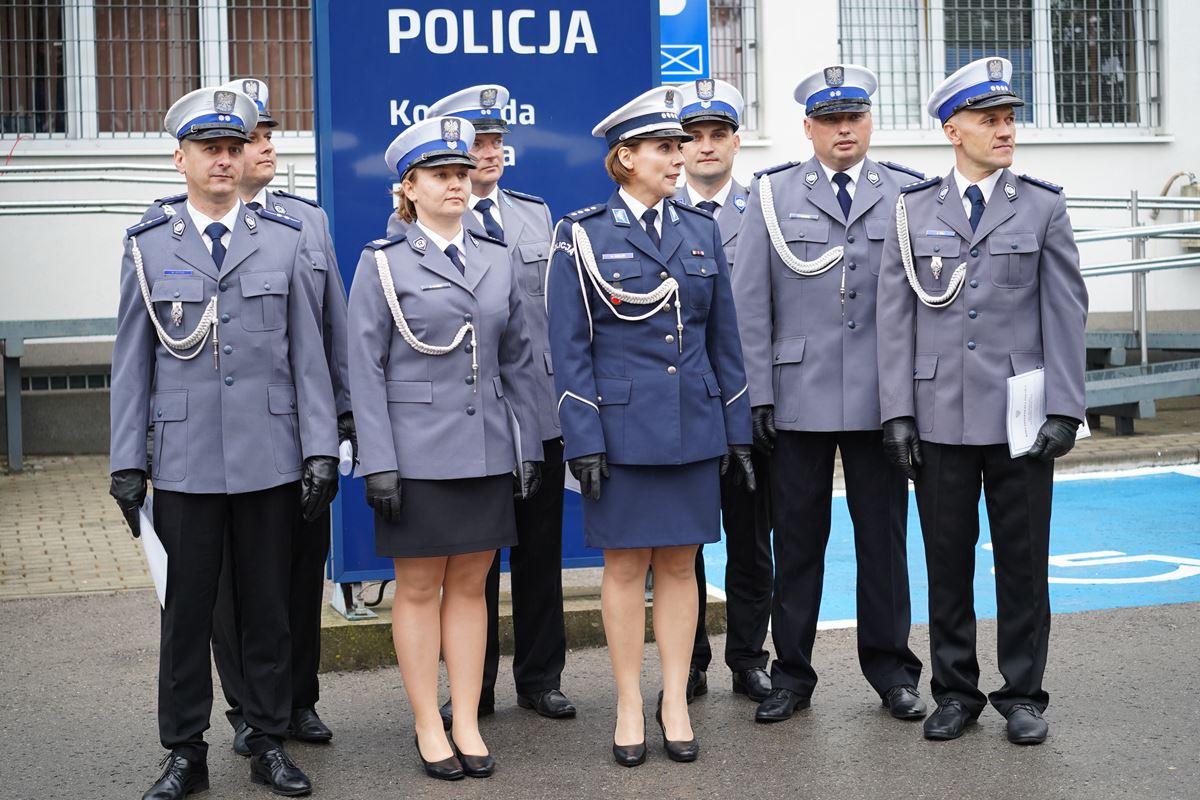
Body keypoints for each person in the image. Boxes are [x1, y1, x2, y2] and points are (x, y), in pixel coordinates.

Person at [108, 86, 339, 799]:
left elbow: (307, 357)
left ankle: (266, 739)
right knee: (185, 618)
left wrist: (320, 448)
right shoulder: (150, 244)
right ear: (180, 159)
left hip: (269, 454)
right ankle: (185, 753)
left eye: (234, 148)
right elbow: (132, 361)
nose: (224, 160)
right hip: (186, 463)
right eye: (209, 148)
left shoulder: (285, 238)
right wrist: (126, 460)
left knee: (268, 608)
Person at [876, 56, 1088, 745]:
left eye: (1008, 119)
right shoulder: (912, 211)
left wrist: (1066, 408)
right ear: (952, 130)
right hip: (939, 415)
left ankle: (1022, 695)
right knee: (947, 560)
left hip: (1021, 418)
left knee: (1023, 562)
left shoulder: (1043, 205)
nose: (1005, 131)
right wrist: (897, 412)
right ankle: (955, 692)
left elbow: (1065, 314)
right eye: (989, 120)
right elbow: (894, 321)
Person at [546, 85, 754, 767]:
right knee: (625, 566)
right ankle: (630, 702)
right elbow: (569, 347)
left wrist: (737, 431)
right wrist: (583, 438)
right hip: (622, 432)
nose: (681, 156)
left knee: (680, 564)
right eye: (666, 147)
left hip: (693, 425)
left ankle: (675, 702)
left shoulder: (700, 229)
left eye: (680, 146)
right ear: (626, 157)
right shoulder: (582, 234)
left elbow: (724, 341)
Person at [347, 115, 544, 781]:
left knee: (470, 586)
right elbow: (364, 370)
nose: (457, 183)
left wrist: (526, 445)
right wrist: (378, 462)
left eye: (462, 172)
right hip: (416, 455)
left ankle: (465, 720)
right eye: (441, 175)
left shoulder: (496, 256)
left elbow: (517, 362)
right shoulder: (383, 262)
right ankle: (427, 724)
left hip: (486, 448)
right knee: (417, 588)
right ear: (409, 187)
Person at [731, 64, 926, 725]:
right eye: (831, 120)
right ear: (808, 127)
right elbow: (750, 304)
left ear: (869, 123)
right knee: (798, 544)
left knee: (884, 542)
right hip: (798, 395)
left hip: (879, 399)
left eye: (855, 117)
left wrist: (908, 401)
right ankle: (791, 675)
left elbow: (920, 303)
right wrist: (758, 394)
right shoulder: (772, 194)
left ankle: (893, 673)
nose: (845, 129)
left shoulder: (906, 191)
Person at [202, 78, 353, 754]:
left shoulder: (306, 221)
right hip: (226, 435)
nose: (265, 147)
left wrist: (344, 417)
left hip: (301, 427)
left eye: (268, 136)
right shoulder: (184, 227)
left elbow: (333, 324)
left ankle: (298, 699)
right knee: (230, 581)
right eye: (252, 138)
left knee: (298, 565)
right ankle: (244, 706)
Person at [422, 85, 575, 728]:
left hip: (537, 411)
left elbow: (558, 318)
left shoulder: (536, 216)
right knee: (473, 561)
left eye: (496, 141)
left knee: (540, 554)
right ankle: (473, 685)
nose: (489, 152)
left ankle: (540, 679)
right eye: (476, 143)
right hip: (473, 419)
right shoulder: (423, 225)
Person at [673, 78, 773, 705]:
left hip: (746, 402)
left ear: (736, 142)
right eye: (693, 137)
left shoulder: (767, 209)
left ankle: (748, 658)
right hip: (683, 403)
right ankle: (689, 659)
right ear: (679, 148)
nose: (706, 146)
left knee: (750, 538)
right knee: (683, 542)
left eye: (718, 134)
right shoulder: (661, 214)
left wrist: (765, 398)